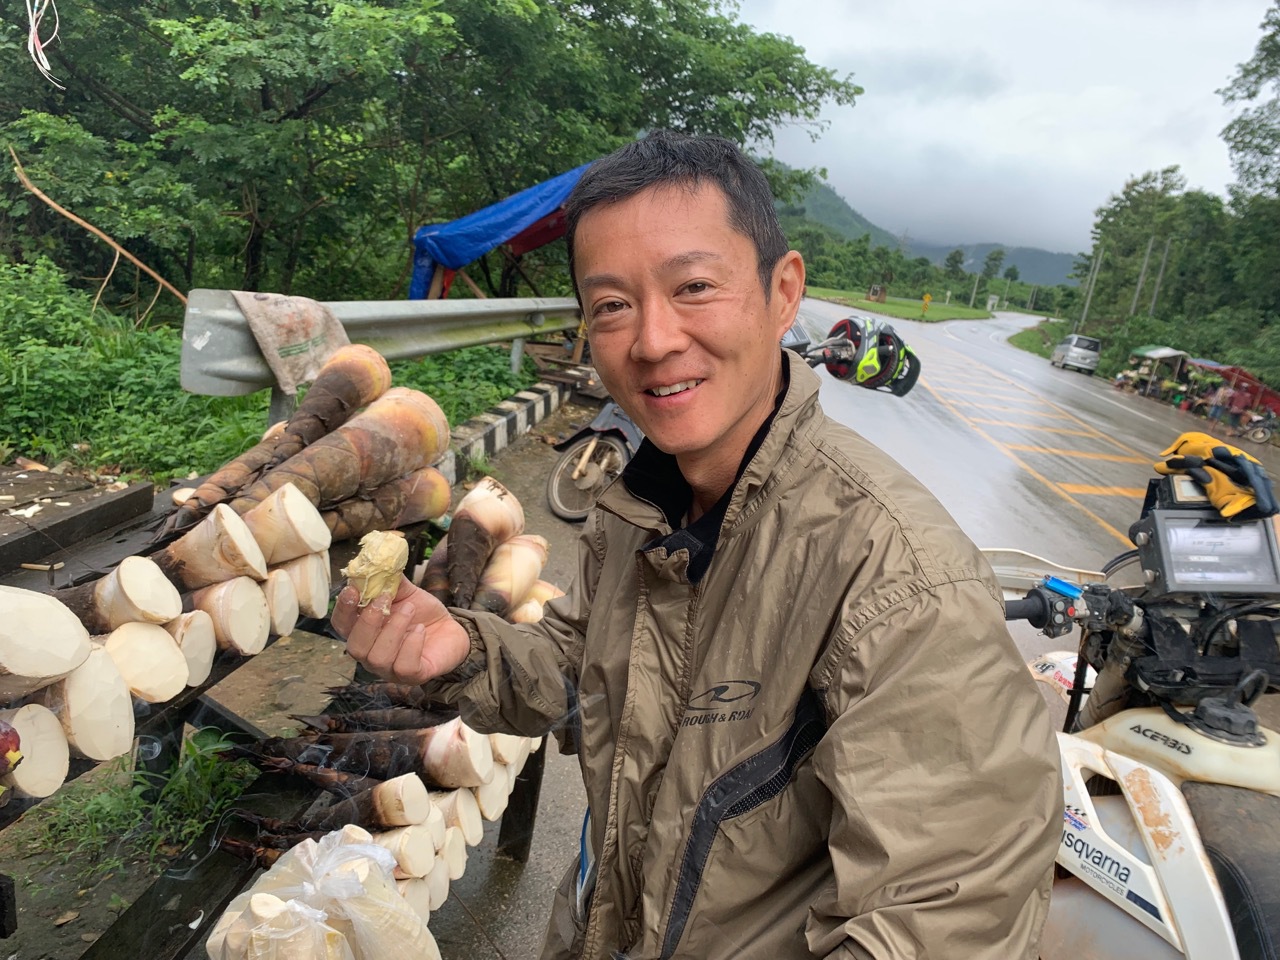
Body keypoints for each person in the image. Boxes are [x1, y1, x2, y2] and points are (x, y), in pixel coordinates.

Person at [332, 131, 1060, 959]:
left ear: (783, 294)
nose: (652, 340)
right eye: (612, 305)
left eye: (694, 287)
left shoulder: (899, 578)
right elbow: (586, 667)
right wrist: (465, 649)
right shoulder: (641, 505)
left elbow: (945, 916)